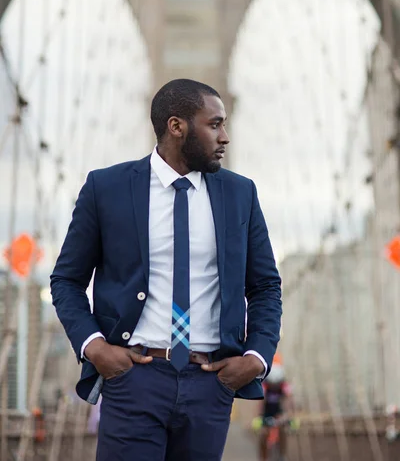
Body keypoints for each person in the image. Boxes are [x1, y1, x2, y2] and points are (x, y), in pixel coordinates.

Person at [50, 78, 282, 461]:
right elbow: (67, 280)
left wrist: (255, 358)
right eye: (215, 124)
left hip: (211, 382)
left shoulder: (241, 194)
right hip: (133, 376)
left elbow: (265, 287)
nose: (225, 137)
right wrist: (96, 349)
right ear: (177, 126)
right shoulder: (105, 188)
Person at [258, 360, 294, 461]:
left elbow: (288, 401)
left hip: (280, 411)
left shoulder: (284, 386)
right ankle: (263, 457)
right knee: (263, 434)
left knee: (283, 431)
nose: (274, 386)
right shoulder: (264, 386)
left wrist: (287, 415)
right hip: (267, 411)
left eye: (276, 384)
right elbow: (260, 403)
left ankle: (282, 455)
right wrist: (260, 417)